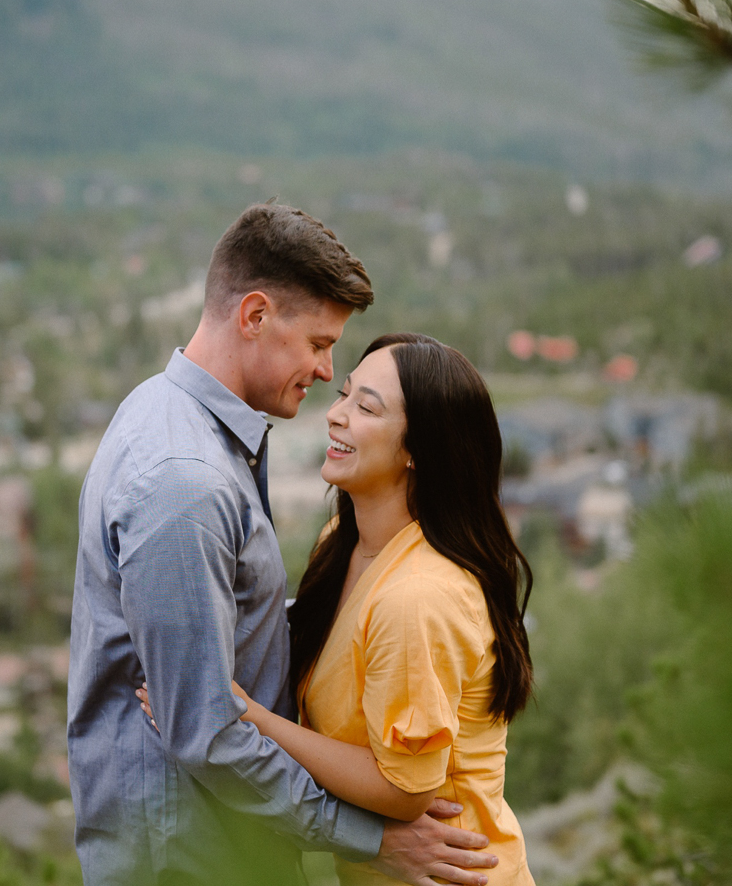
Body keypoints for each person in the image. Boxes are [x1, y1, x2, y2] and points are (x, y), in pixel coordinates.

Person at [68, 204, 501, 886]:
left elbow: (234, 631)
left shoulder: (178, 425)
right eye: (320, 344)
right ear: (256, 315)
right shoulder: (187, 483)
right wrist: (370, 840)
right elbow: (206, 733)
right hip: (191, 858)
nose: (327, 374)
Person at [141, 333, 538, 885]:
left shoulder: (417, 598)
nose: (336, 416)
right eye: (344, 395)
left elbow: (403, 790)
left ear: (417, 448)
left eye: (366, 407)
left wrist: (246, 716)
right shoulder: (342, 544)